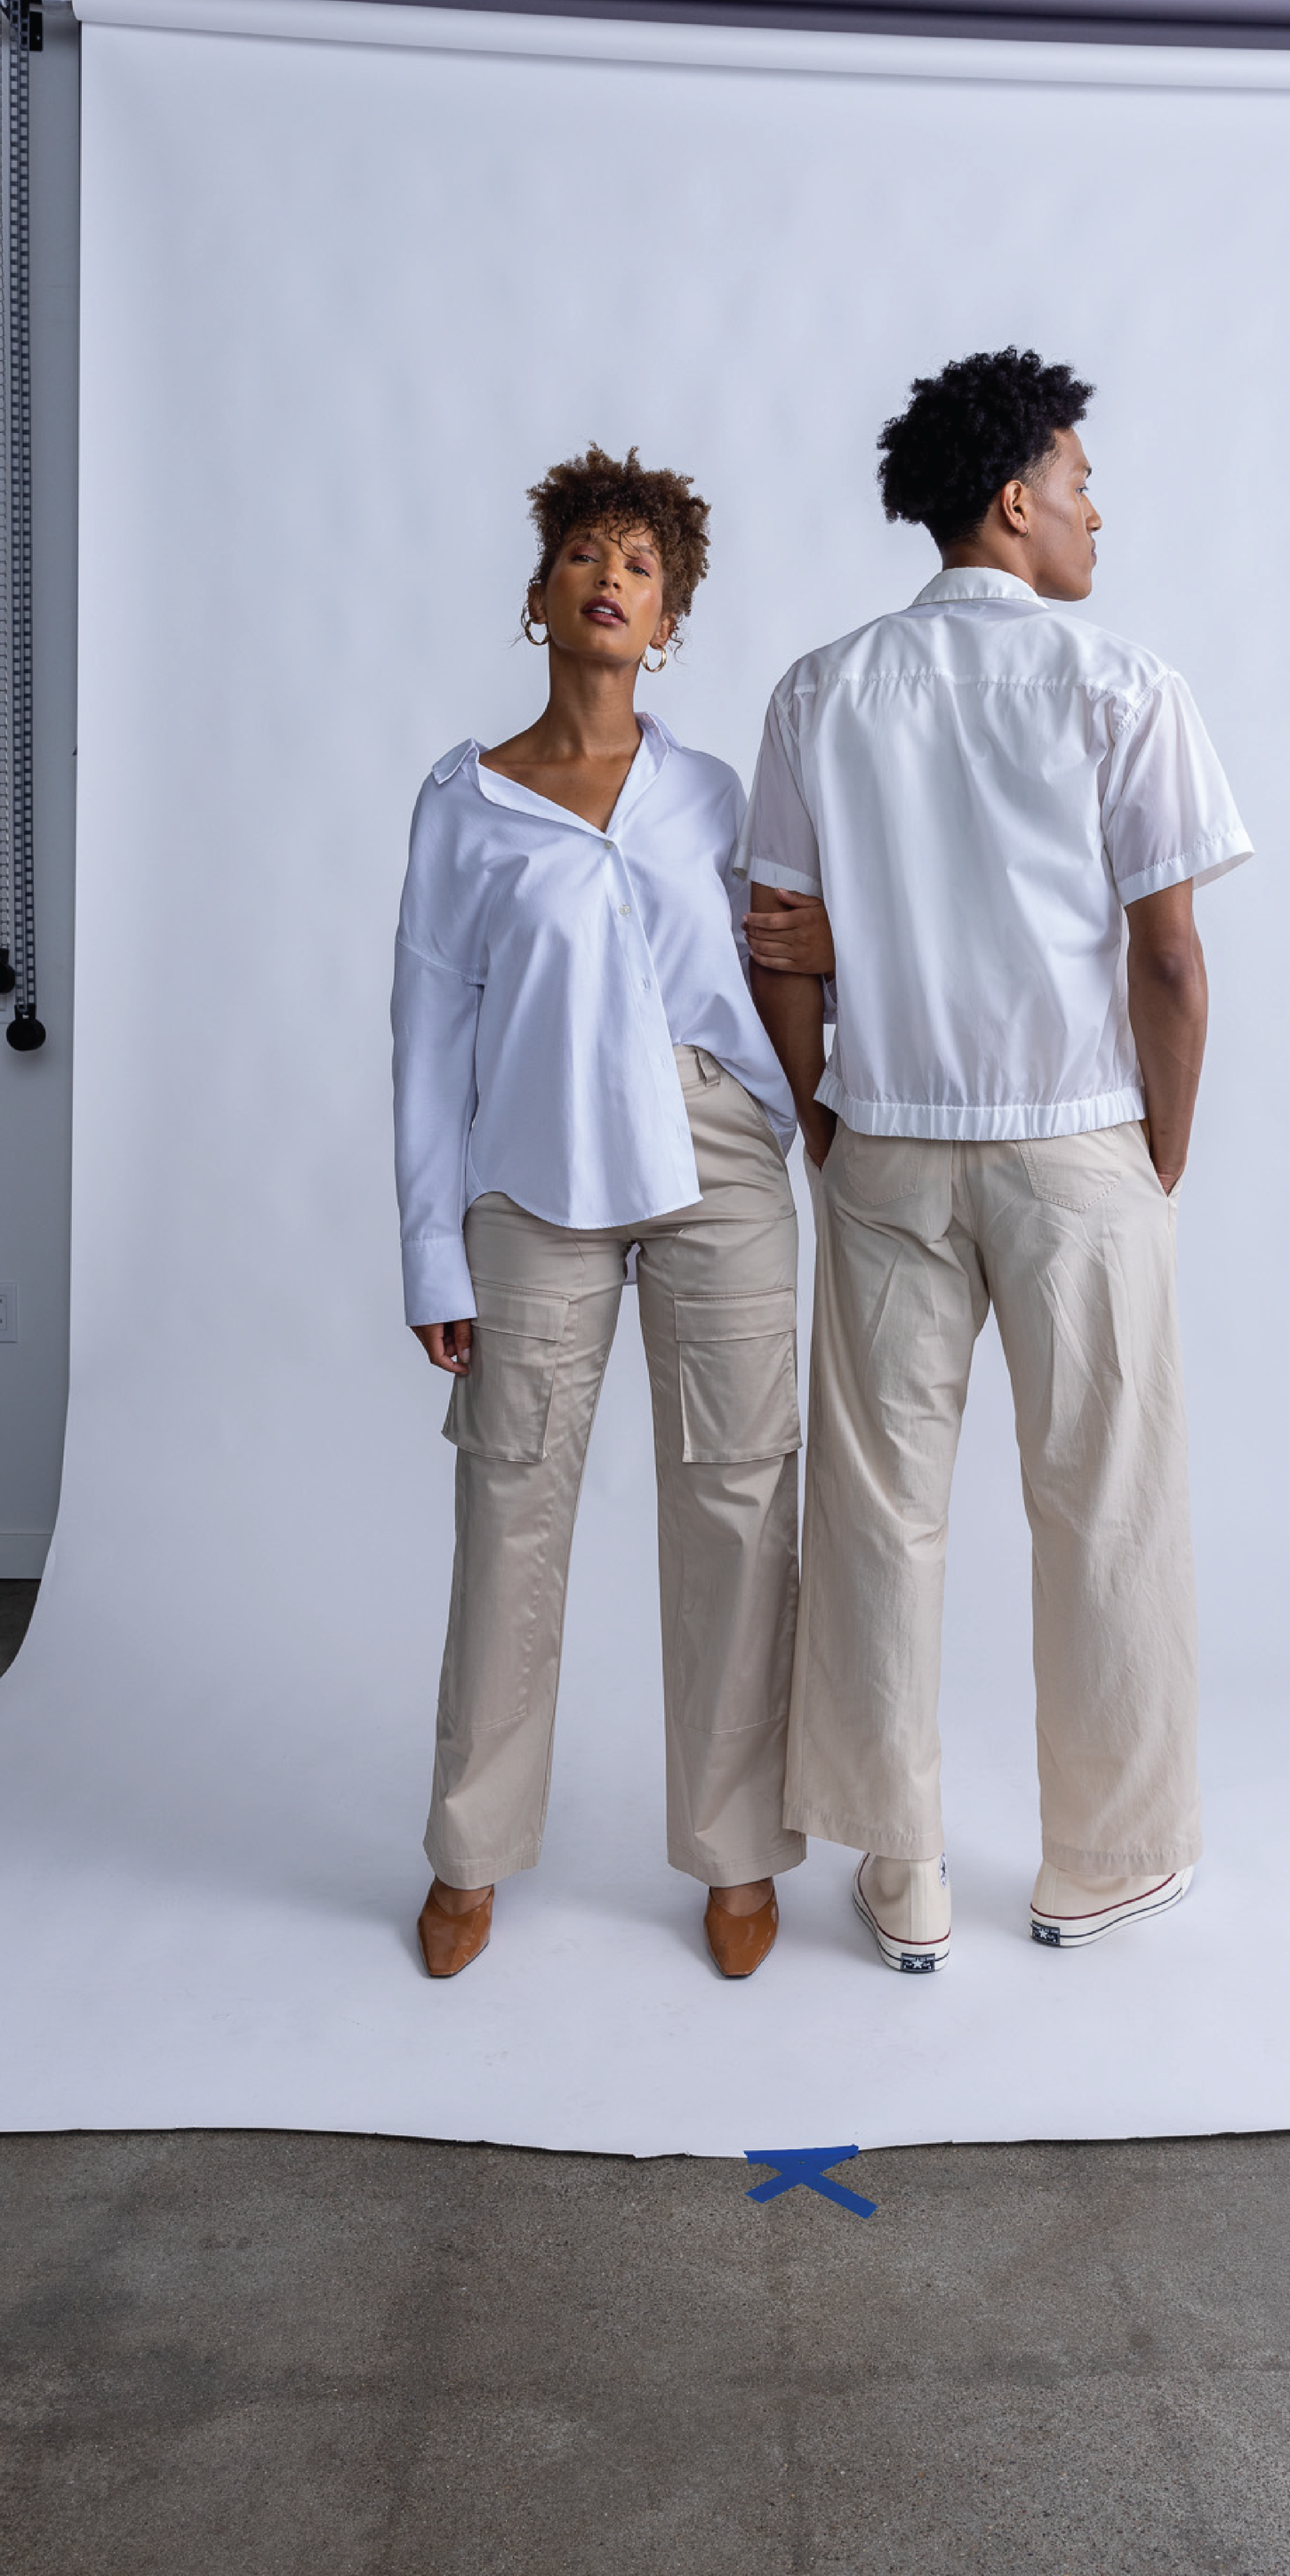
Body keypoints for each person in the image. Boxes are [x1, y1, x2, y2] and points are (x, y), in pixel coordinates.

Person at [742, 349, 1252, 1970]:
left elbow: (777, 941)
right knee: (1105, 1503)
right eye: (1082, 482)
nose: (1100, 511)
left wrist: (825, 1116)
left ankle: (900, 1865)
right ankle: (1107, 1857)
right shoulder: (1120, 683)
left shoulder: (820, 690)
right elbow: (1168, 956)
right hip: (1076, 1142)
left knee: (878, 1510)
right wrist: (1163, 1142)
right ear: (1018, 500)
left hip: (888, 1140)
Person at [392, 445, 831, 1983]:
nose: (611, 578)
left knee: (736, 1495)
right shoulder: (464, 802)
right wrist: (431, 1248)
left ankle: (735, 1844)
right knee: (511, 1497)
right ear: (541, 593)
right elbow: (427, 1036)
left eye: (642, 567)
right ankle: (470, 1847)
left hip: (718, 1156)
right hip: (537, 1166)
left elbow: (777, 960)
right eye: (588, 553)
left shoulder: (709, 795)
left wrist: (817, 1007)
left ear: (669, 621)